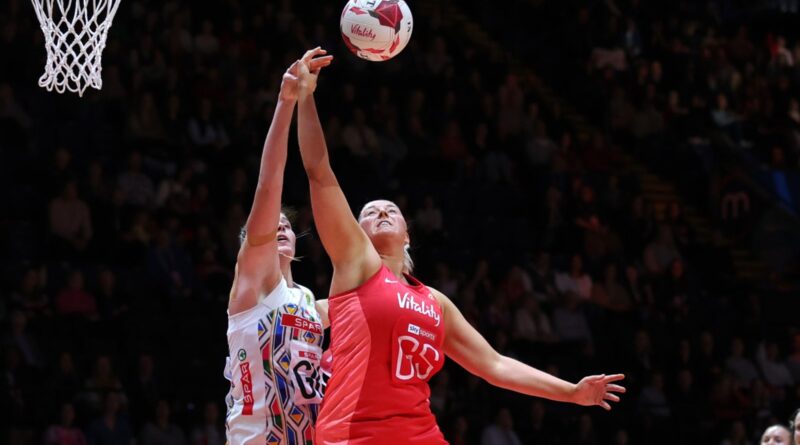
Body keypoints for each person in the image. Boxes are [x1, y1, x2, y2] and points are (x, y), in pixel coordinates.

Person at [295, 48, 626, 445]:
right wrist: (306, 97)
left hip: (420, 434)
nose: (381, 211)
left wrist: (571, 392)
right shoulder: (356, 264)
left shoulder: (435, 302)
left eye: (391, 210)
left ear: (408, 234)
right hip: (355, 436)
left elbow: (495, 365)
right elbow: (319, 173)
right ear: (357, 232)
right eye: (369, 212)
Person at [224, 52, 332, 445]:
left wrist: (310, 99)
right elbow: (269, 186)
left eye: (287, 224)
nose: (281, 225)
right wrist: (287, 102)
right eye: (274, 225)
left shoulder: (311, 305)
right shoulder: (250, 288)